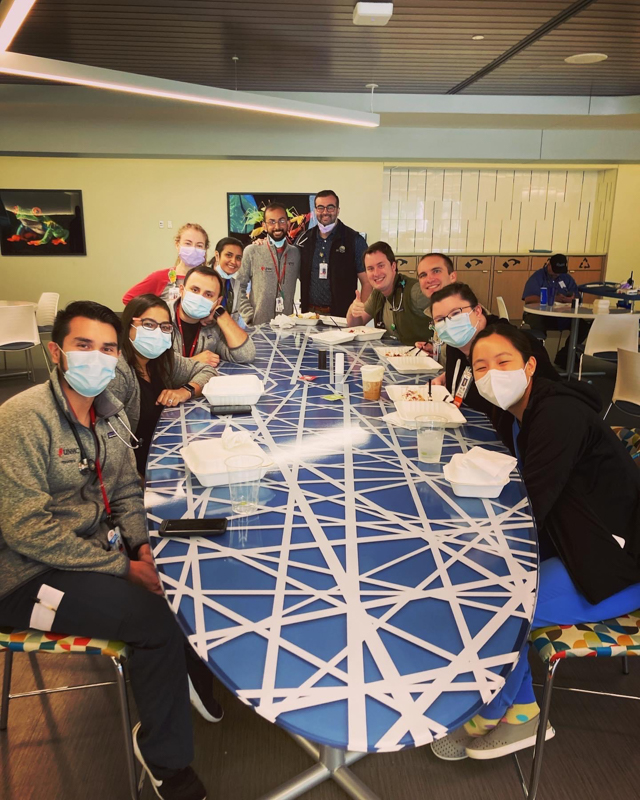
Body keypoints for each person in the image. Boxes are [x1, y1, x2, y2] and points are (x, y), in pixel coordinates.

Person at [0, 301, 220, 800]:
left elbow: (123, 492)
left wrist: (142, 549)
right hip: (25, 577)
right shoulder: (23, 419)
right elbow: (26, 530)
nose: (96, 359)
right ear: (56, 352)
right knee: (154, 623)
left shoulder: (110, 412)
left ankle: (188, 676)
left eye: (106, 349)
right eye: (83, 346)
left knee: (187, 566)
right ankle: (169, 766)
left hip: (93, 551)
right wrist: (124, 568)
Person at [431, 324, 640, 762]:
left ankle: (513, 712)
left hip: (616, 567)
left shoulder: (556, 416)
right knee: (483, 581)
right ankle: (518, 701)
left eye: (502, 362)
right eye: (480, 366)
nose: (490, 375)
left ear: (529, 365)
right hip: (577, 544)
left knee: (497, 602)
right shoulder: (519, 412)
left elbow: (533, 504)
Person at [110, 294, 217, 474]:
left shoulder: (161, 360)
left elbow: (208, 372)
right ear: (128, 325)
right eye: (149, 325)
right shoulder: (118, 372)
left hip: (167, 450)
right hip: (138, 469)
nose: (157, 333)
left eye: (165, 327)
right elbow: (112, 445)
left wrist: (186, 391)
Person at [427, 283, 558, 419]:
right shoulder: (457, 345)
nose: (449, 324)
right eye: (440, 320)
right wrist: (448, 377)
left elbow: (552, 401)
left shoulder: (513, 344)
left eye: (455, 313)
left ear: (477, 311)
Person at [298, 189, 370, 316]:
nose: (325, 212)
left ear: (338, 210)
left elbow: (367, 282)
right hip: (309, 316)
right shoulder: (305, 240)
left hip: (342, 316)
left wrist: (360, 314)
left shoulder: (354, 240)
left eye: (330, 207)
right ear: (315, 211)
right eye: (320, 207)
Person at [345, 241, 431, 345]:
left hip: (419, 358)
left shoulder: (415, 291)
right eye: (370, 268)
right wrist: (352, 312)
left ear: (393, 266)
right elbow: (356, 325)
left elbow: (446, 321)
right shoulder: (377, 294)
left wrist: (434, 348)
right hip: (390, 356)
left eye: (381, 266)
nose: (376, 273)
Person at [171, 265, 255, 368]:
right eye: (195, 290)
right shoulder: (161, 316)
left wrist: (220, 313)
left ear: (218, 301)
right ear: (181, 290)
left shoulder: (213, 327)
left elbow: (246, 354)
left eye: (208, 295)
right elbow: (151, 368)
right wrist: (193, 362)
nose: (200, 297)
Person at [237, 203, 300, 325]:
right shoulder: (252, 251)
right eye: (271, 222)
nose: (277, 226)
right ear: (264, 226)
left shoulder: (295, 253)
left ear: (288, 223)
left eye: (281, 221)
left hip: (287, 327)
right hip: (258, 327)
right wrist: (249, 316)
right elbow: (238, 287)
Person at [522, 253, 589, 367]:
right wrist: (552, 299)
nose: (557, 274)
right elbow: (529, 299)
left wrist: (569, 299)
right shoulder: (537, 277)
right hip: (541, 315)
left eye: (560, 271)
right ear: (549, 265)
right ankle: (540, 358)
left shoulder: (566, 278)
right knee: (537, 323)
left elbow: (577, 297)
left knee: (582, 326)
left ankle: (565, 355)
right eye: (555, 270)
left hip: (562, 315)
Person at [122, 222, 210, 306]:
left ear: (205, 249)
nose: (193, 249)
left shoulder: (210, 280)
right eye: (188, 243)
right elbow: (129, 299)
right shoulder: (160, 277)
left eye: (199, 246)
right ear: (177, 245)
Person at [209, 236, 244, 314]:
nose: (234, 262)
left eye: (238, 258)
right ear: (217, 256)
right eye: (229, 255)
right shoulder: (202, 279)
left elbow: (235, 315)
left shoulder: (237, 285)